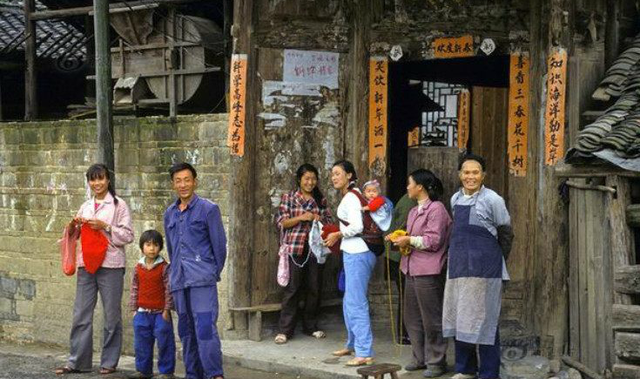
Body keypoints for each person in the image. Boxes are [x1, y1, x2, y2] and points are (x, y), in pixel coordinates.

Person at [55, 163, 134, 375]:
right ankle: (77, 362)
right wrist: (72, 227)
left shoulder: (119, 206)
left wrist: (106, 226)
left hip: (111, 265)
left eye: (101, 178)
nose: (97, 183)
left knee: (111, 316)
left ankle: (109, 362)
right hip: (86, 265)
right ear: (89, 182)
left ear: (108, 180)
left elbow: (128, 235)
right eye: (92, 179)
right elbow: (75, 236)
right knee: (81, 313)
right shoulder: (85, 206)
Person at [443, 154, 513, 379]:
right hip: (459, 269)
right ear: (459, 175)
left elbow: (506, 234)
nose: (470, 176)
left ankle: (489, 373)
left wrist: (494, 261)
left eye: (475, 172)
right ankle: (465, 369)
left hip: (485, 271)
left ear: (483, 175)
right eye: (466, 172)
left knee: (486, 321)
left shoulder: (493, 200)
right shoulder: (455, 199)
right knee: (460, 318)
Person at [164, 162, 227, 379]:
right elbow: (172, 250)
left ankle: (214, 374)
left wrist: (209, 272)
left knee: (205, 330)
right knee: (186, 332)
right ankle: (193, 374)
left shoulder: (209, 209)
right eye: (178, 181)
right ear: (173, 184)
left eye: (187, 180)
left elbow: (219, 247)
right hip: (180, 282)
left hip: (202, 281)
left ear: (195, 182)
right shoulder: (170, 213)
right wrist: (175, 275)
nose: (183, 185)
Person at [388, 169, 451, 378]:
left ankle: (436, 360)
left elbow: (433, 241)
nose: (407, 187)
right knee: (412, 317)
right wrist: (400, 237)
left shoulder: (437, 209)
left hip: (429, 270)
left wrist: (409, 240)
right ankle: (418, 357)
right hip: (410, 268)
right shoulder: (414, 211)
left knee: (431, 318)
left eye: (410, 184)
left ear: (420, 187)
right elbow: (413, 236)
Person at [274, 163, 334, 344]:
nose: (310, 182)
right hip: (295, 248)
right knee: (292, 289)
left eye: (313, 179)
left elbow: (330, 221)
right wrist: (301, 217)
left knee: (314, 288)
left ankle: (311, 327)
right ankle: (285, 330)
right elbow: (281, 222)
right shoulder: (290, 198)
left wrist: (319, 218)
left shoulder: (320, 199)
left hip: (315, 249)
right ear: (299, 179)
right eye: (307, 178)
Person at [324, 160, 375, 367]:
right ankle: (352, 343)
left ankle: (364, 351)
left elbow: (357, 226)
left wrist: (336, 234)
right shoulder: (351, 196)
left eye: (338, 173)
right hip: (354, 252)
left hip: (358, 252)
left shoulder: (352, 199)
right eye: (332, 174)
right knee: (349, 300)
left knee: (356, 301)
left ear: (349, 176)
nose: (334, 177)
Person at [128, 230, 176, 379]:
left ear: (160, 248)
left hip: (161, 313)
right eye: (148, 245)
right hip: (142, 313)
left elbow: (169, 290)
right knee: (142, 344)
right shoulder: (138, 268)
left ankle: (166, 372)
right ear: (142, 247)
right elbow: (134, 288)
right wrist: (134, 310)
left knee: (165, 342)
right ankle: (144, 371)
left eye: (155, 245)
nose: (151, 248)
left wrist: (167, 310)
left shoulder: (164, 267)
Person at [384, 192, 416, 345]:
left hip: (396, 255)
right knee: (405, 296)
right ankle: (404, 335)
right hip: (398, 256)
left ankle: (405, 334)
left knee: (405, 295)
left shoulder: (407, 199)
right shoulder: (410, 202)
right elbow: (402, 227)